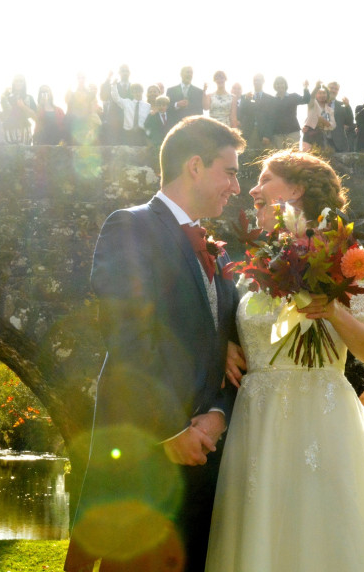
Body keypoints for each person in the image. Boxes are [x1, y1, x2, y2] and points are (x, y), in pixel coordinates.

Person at [205, 150, 364, 572]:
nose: (252, 189)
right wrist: (226, 346)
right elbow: (247, 331)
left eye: (265, 179)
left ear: (297, 189)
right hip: (257, 425)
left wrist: (333, 310)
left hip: (321, 422)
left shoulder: (344, 260)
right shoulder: (255, 264)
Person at [65, 116, 246, 572]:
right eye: (231, 171)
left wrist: (218, 417)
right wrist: (172, 430)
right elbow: (128, 340)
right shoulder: (131, 227)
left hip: (204, 470)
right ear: (195, 166)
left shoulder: (218, 251)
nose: (237, 187)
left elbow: (229, 349)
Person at [268, 77, 310, 148]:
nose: (280, 86)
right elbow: (270, 117)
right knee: (279, 157)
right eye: (277, 84)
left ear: (285, 85)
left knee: (293, 157)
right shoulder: (272, 100)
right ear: (275, 86)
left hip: (292, 132)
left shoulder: (293, 96)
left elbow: (306, 100)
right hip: (278, 134)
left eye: (282, 83)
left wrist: (305, 87)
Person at [109, 79, 150, 146]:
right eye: (135, 92)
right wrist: (114, 85)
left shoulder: (148, 106)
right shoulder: (127, 103)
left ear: (142, 92)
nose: (137, 93)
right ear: (132, 93)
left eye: (139, 91)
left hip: (142, 134)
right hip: (128, 134)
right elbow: (116, 98)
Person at [1, 74, 37, 145]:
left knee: (25, 154)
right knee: (9, 155)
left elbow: (35, 117)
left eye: (21, 81)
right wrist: (4, 97)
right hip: (8, 129)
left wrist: (23, 106)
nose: (18, 83)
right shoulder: (6, 97)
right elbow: (3, 115)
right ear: (13, 83)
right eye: (16, 81)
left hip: (24, 129)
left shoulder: (29, 97)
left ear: (24, 83)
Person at [301, 81, 336, 151]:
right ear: (316, 94)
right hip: (309, 133)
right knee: (307, 157)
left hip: (321, 135)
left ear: (327, 95)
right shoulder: (312, 104)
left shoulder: (329, 110)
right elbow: (311, 98)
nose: (322, 95)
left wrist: (324, 121)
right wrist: (316, 87)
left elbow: (332, 126)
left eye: (324, 93)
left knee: (321, 157)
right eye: (319, 93)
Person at [326, 81, 355, 152]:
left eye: (336, 89)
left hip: (339, 144)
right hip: (322, 142)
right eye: (331, 88)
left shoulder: (342, 105)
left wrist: (348, 106)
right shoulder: (319, 103)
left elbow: (349, 122)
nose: (333, 90)